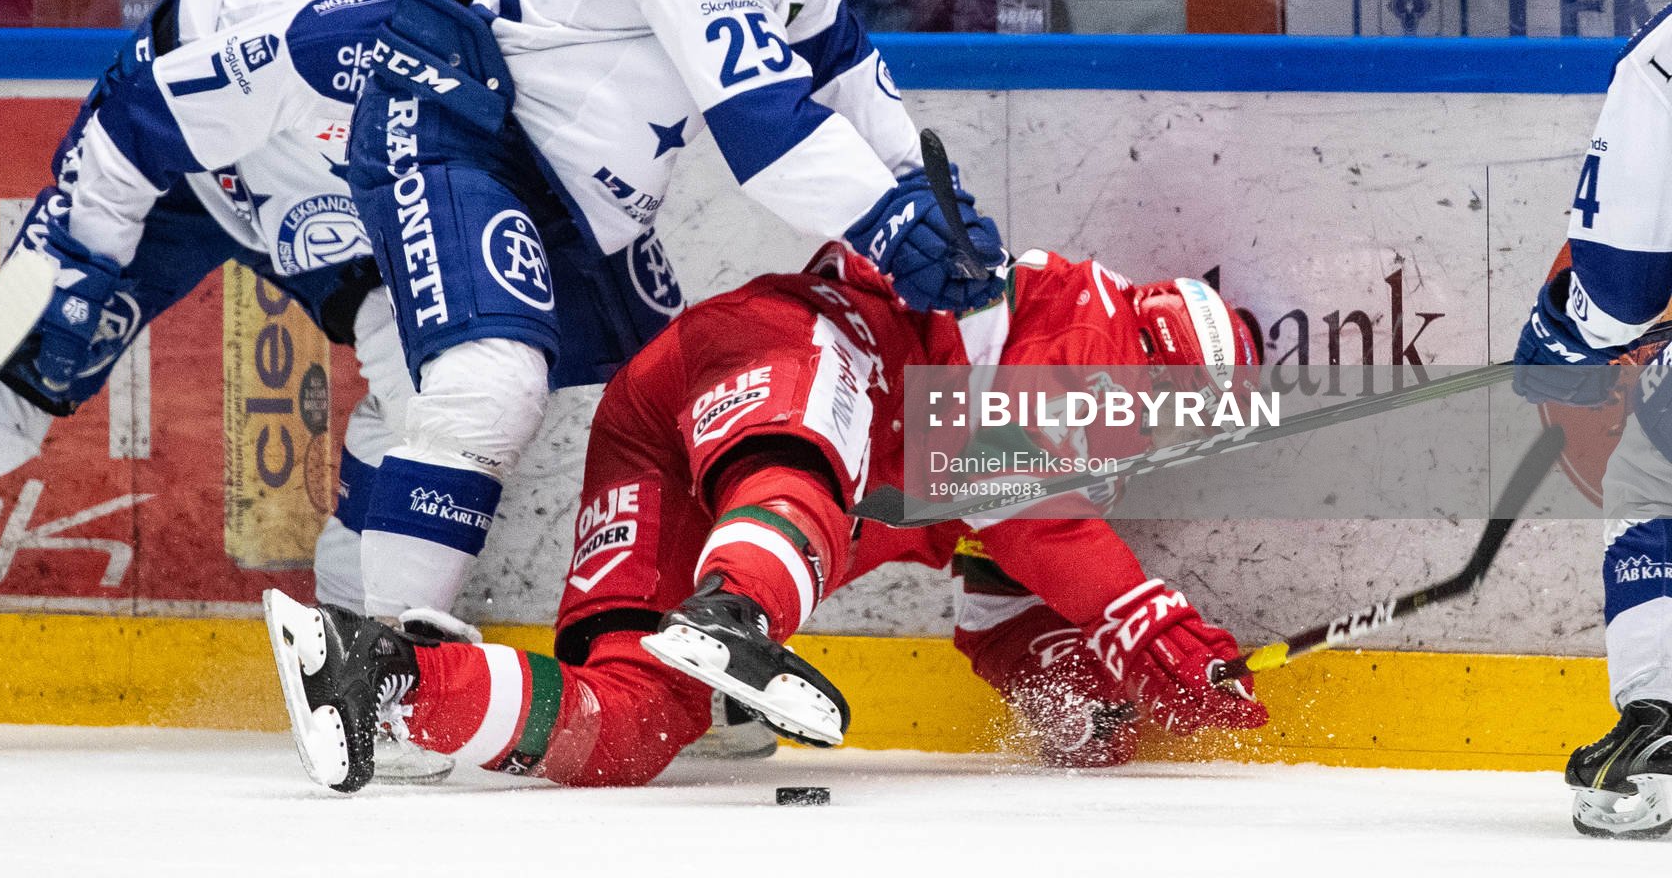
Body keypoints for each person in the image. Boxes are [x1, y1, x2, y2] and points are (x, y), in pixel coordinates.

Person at [331, 0, 1002, 657]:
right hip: (474, 139)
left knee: (681, 404)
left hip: (580, 198)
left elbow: (842, 62)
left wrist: (924, 188)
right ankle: (382, 663)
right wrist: (895, 227)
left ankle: (648, 644)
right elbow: (764, 127)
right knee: (491, 384)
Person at [0, 0, 512, 743]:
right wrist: (80, 263)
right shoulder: (299, 42)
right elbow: (134, 123)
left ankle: (353, 658)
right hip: (173, 175)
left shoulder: (507, 50)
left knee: (433, 385)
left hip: (325, 196)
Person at [265, 242, 1267, 790]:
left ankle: (378, 674)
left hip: (659, 432)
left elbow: (1002, 622)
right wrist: (1152, 622)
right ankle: (737, 611)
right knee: (806, 473)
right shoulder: (1091, 318)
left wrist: (1091, 707)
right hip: (791, 353)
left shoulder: (1053, 448)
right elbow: (1029, 511)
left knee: (630, 721)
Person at [1510, 3, 1672, 838]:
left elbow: (1618, 298)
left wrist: (1560, 336)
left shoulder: (1663, 57)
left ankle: (1661, 725)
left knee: (1653, 484)